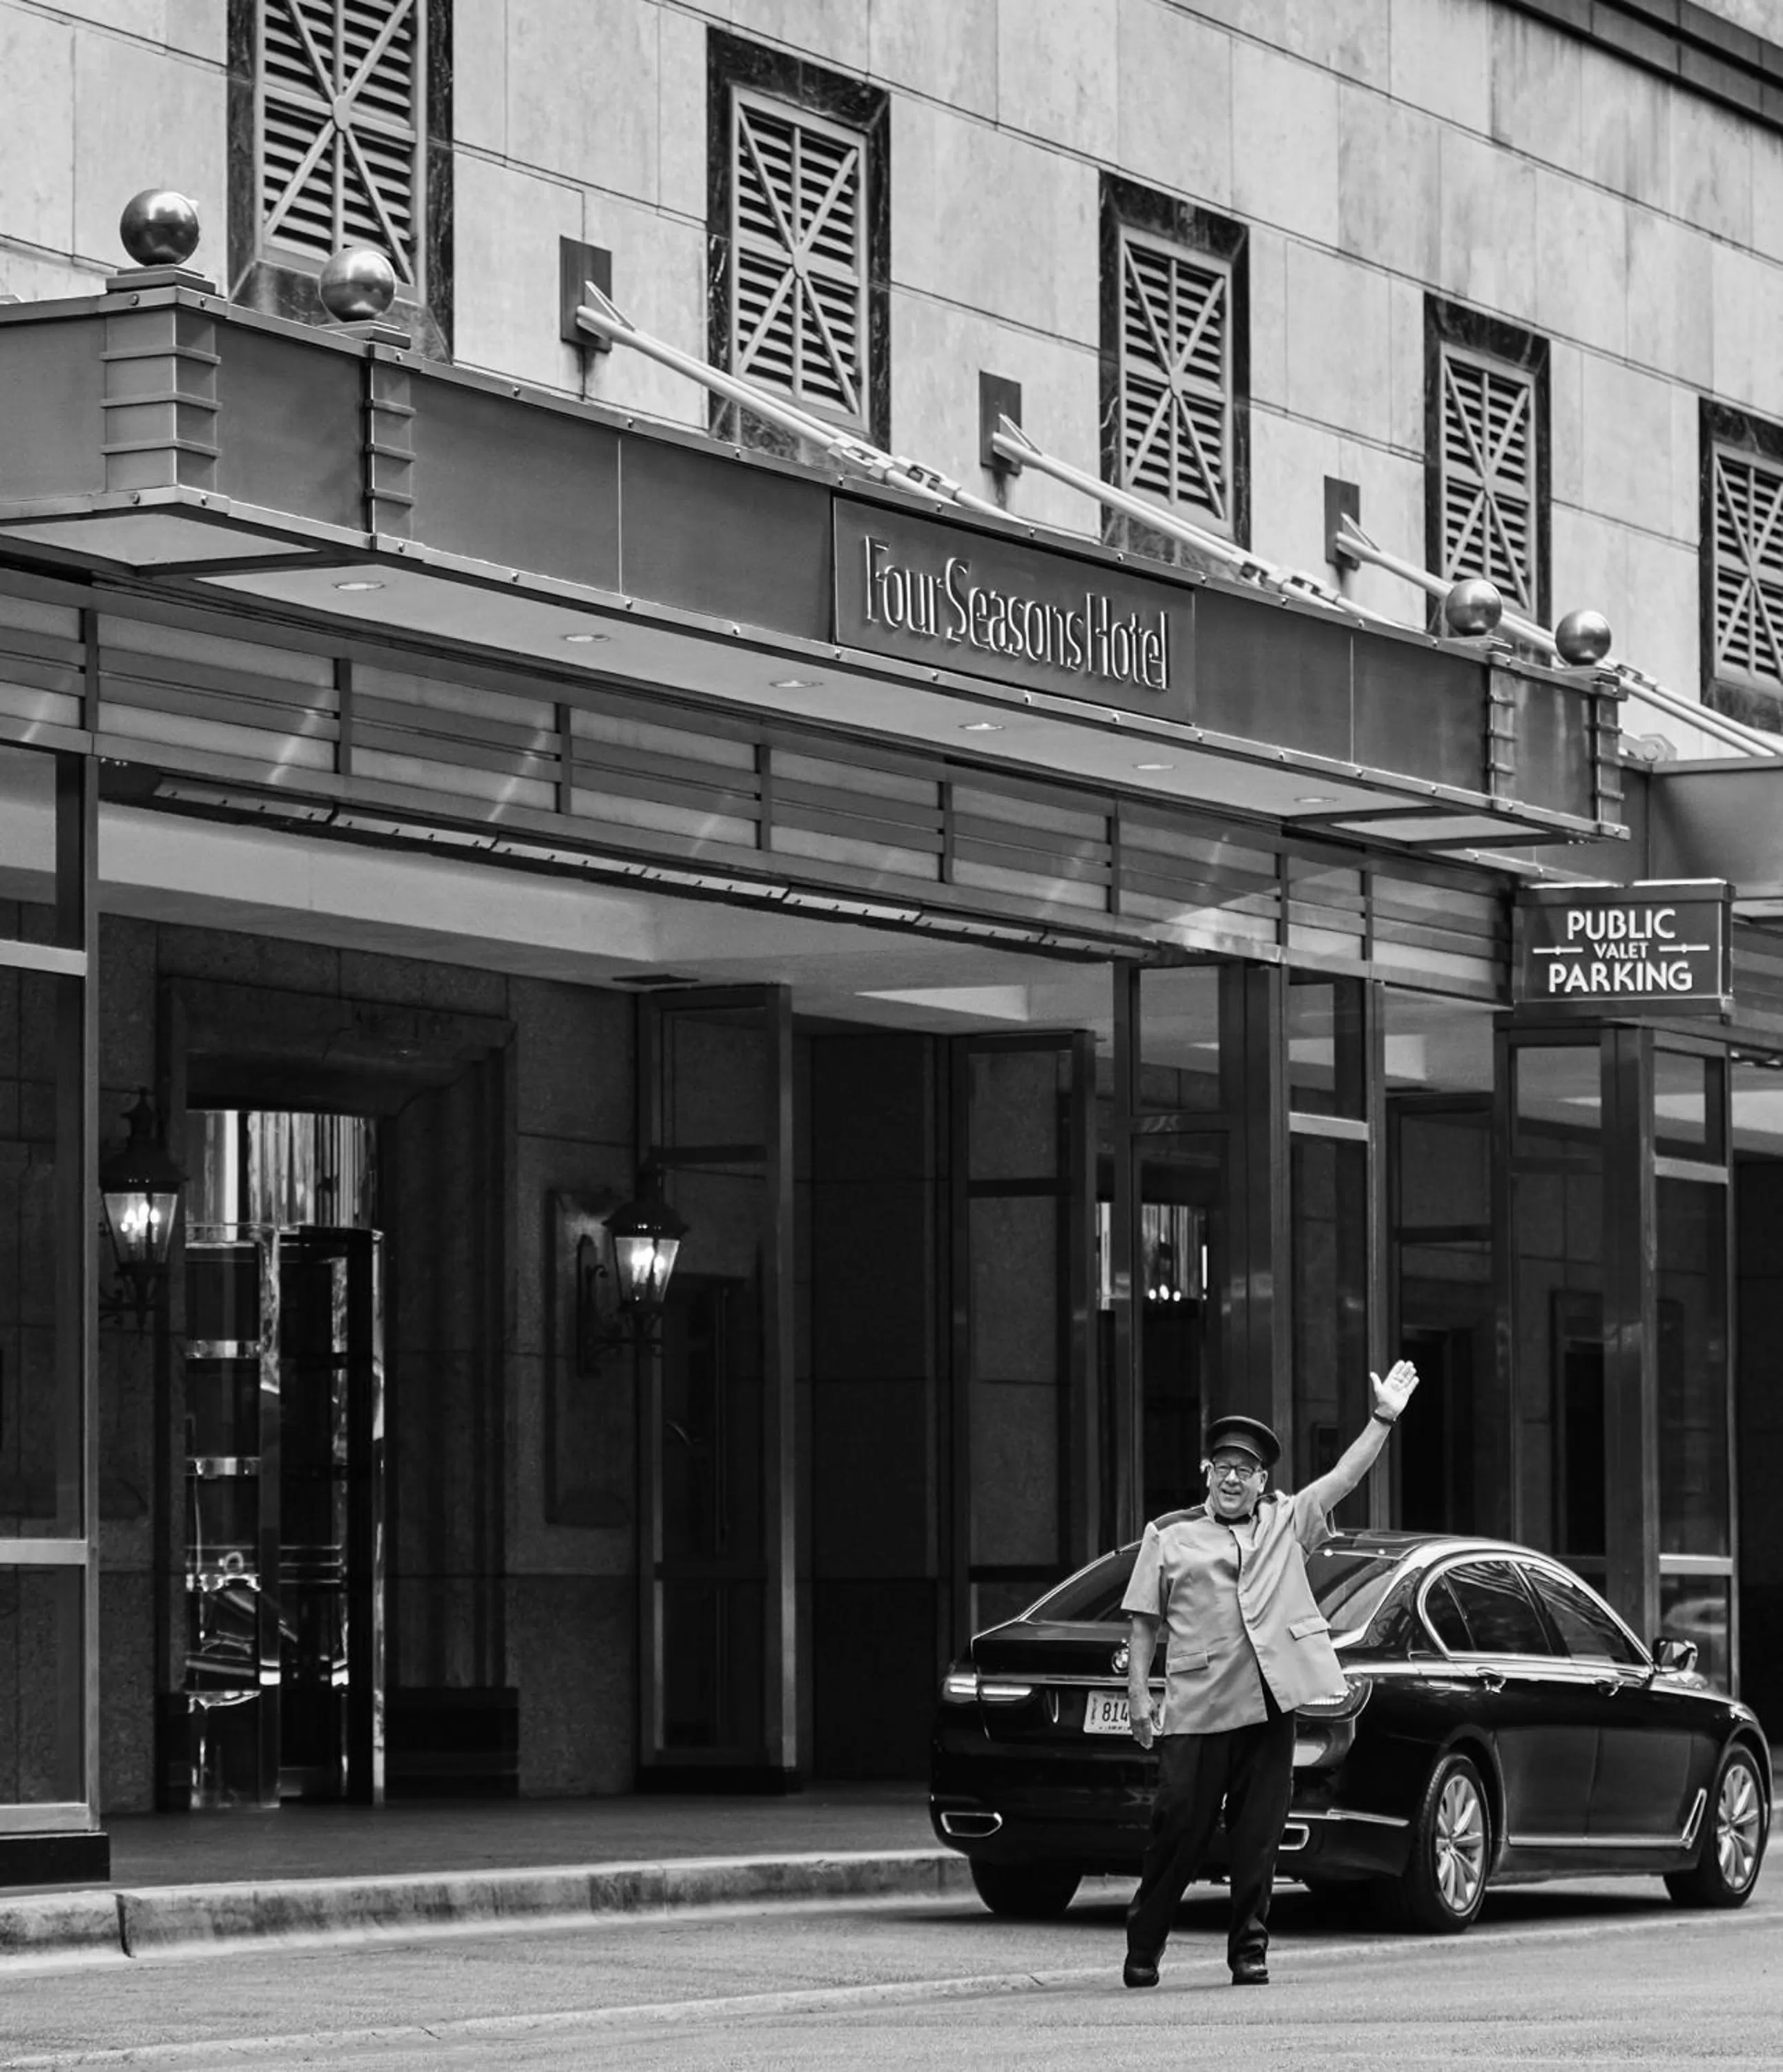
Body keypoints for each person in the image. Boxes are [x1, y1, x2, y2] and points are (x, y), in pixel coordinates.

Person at [1119, 1361, 1420, 1989]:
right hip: (1199, 1707)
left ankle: (1249, 1952)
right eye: (1223, 1468)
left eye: (1246, 1470)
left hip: (1268, 1706)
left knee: (1259, 1838)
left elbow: (1343, 1478)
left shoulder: (1287, 1521)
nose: (1233, 1479)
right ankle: (1144, 1946)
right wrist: (1140, 1695)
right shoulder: (1169, 1535)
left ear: (1262, 1480)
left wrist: (1383, 1418)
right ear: (1207, 1473)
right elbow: (1144, 1620)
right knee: (1178, 1830)